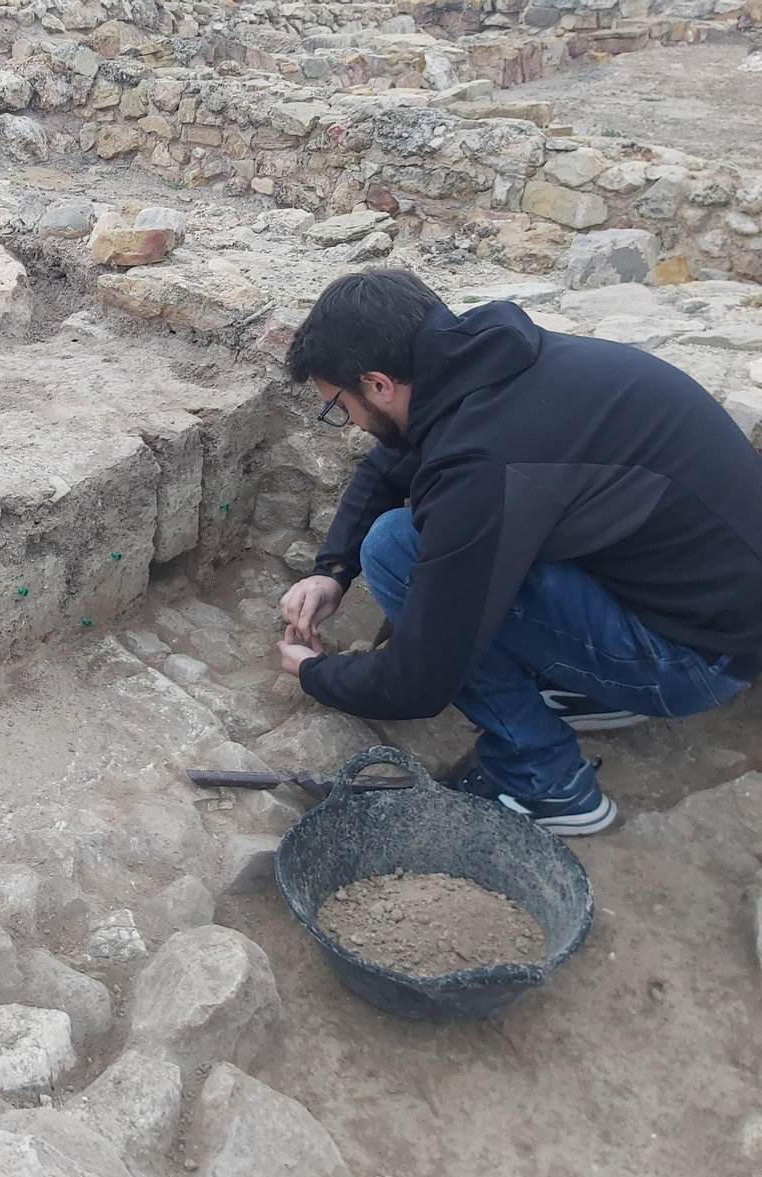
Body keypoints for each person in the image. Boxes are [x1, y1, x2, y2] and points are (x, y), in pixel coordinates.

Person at [275, 269, 762, 836]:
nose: (350, 424)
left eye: (340, 407)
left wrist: (317, 674)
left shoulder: (483, 462)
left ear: (378, 384)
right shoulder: (487, 361)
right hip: (713, 617)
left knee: (395, 549)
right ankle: (593, 690)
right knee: (441, 550)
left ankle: (547, 783)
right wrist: (332, 571)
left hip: (692, 663)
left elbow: (421, 680)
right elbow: (391, 460)